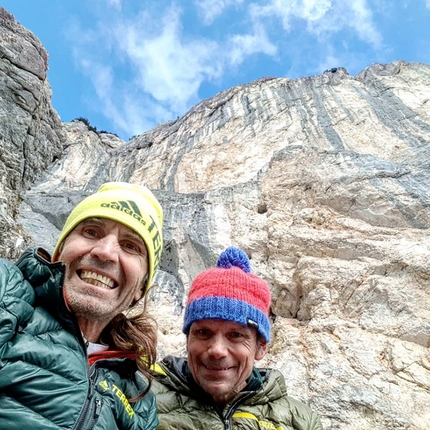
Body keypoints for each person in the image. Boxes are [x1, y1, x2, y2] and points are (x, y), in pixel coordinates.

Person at [0, 182, 164, 429]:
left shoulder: (140, 401)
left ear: (140, 288)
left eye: (130, 246)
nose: (105, 252)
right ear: (59, 251)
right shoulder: (7, 295)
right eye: (91, 231)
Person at [151, 246, 323, 430]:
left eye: (236, 335)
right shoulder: (141, 396)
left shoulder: (302, 422)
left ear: (261, 346)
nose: (217, 350)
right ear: (187, 340)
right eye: (203, 333)